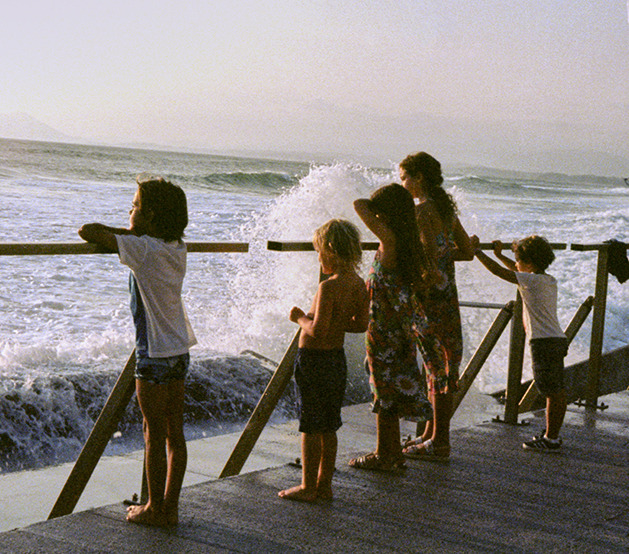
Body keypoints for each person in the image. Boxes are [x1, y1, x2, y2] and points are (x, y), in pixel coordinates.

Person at [78, 176, 196, 526]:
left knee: (152, 432)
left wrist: (128, 232)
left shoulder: (143, 249)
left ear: (151, 216)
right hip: (179, 349)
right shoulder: (175, 246)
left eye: (134, 207)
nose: (129, 210)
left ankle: (153, 508)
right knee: (175, 432)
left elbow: (88, 230)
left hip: (154, 353)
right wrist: (136, 229)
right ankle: (170, 507)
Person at [278, 219, 370, 502]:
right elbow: (361, 325)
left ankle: (307, 487)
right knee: (329, 426)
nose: (318, 258)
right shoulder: (357, 284)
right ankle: (324, 485)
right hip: (336, 360)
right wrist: (337, 322)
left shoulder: (328, 287)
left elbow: (316, 330)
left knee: (309, 426)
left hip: (314, 361)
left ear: (330, 250)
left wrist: (299, 318)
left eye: (319, 252)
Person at [350, 184, 433, 472]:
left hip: (383, 331)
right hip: (399, 330)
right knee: (390, 392)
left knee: (383, 394)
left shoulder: (391, 241)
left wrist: (376, 208)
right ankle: (392, 453)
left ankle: (383, 456)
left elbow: (358, 204)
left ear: (386, 214)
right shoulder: (409, 242)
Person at [399, 152, 477, 461]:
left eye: (404, 176)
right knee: (443, 368)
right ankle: (432, 436)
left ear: (417, 178)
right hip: (448, 296)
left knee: (435, 369)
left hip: (430, 298)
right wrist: (442, 260)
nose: (401, 182)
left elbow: (429, 257)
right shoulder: (445, 210)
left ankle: (439, 442)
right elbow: (467, 251)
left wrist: (413, 275)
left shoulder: (422, 212)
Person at [474, 236, 568, 451]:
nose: (515, 263)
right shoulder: (546, 279)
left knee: (552, 392)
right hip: (556, 339)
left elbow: (502, 273)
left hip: (543, 343)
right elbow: (517, 271)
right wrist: (500, 255)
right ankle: (551, 435)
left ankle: (551, 438)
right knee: (556, 390)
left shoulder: (530, 281)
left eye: (518, 259)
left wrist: (478, 252)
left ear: (530, 262)